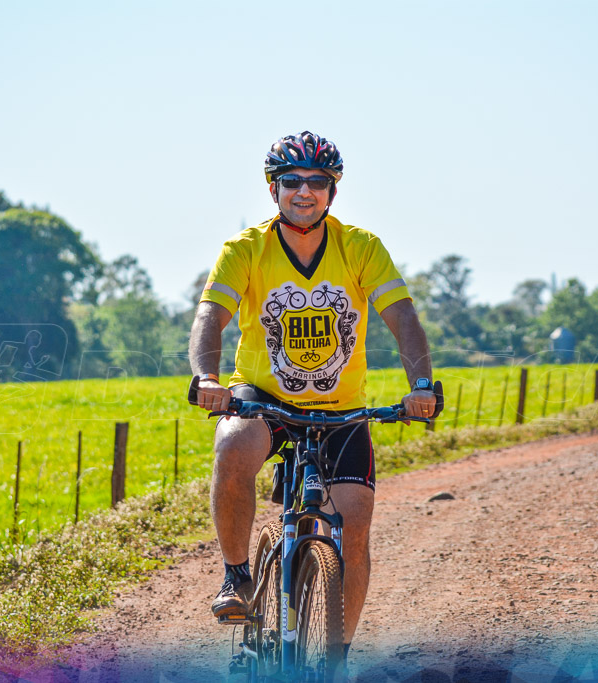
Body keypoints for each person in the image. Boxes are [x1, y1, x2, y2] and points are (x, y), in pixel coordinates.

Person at [188, 130, 438, 665]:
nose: (305, 191)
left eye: (318, 182)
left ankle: (337, 656)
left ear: (333, 191)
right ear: (273, 188)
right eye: (292, 181)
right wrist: (208, 379)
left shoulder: (361, 248)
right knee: (232, 444)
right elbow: (211, 318)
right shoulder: (245, 250)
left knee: (356, 518)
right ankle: (236, 575)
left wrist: (420, 386)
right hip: (264, 399)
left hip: (341, 408)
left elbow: (404, 320)